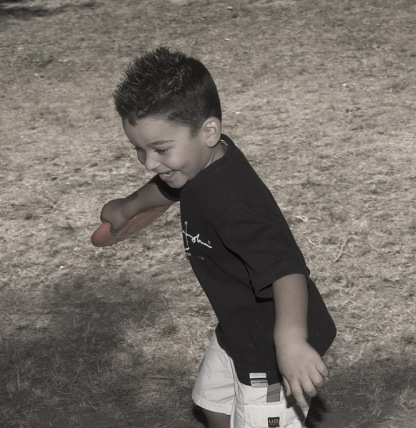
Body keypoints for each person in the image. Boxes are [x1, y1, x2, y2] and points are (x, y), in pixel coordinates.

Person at [100, 47, 336, 428]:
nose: (149, 163)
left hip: (272, 342)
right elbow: (169, 187)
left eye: (160, 149)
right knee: (212, 403)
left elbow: (286, 271)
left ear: (209, 131)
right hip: (237, 328)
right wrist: (128, 207)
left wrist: (289, 342)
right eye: (138, 150)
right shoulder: (201, 162)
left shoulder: (238, 204)